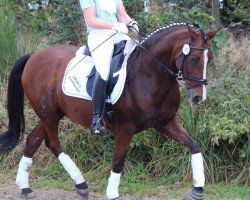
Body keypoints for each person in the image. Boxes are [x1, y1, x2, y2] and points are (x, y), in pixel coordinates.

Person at [79, 0, 139, 136]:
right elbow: (91, 21)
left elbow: (123, 16)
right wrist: (114, 25)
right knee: (104, 71)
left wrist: (132, 23)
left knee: (137, 58)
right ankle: (96, 120)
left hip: (118, 34)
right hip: (99, 36)